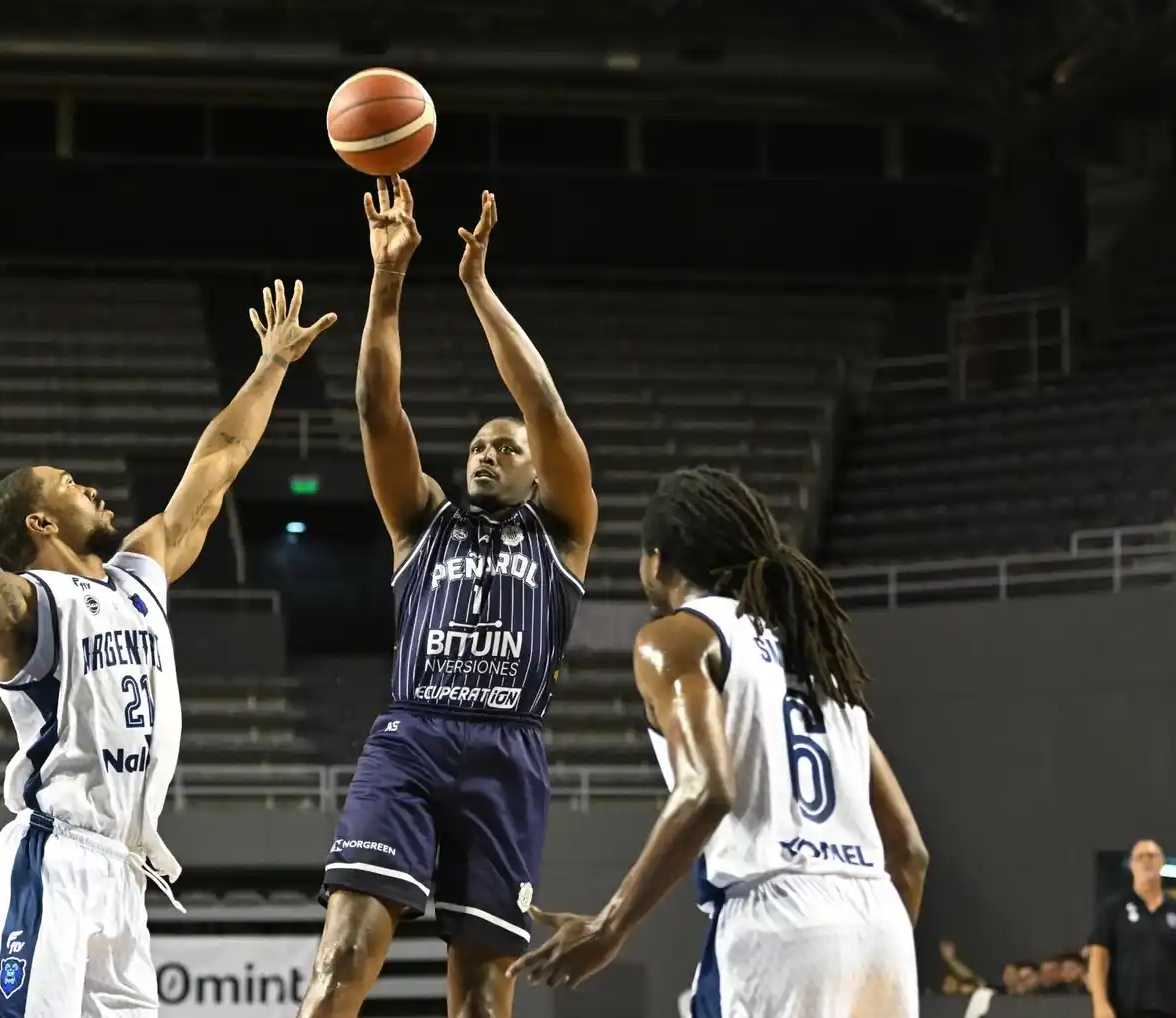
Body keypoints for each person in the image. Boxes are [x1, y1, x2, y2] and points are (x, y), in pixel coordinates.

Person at [0, 287, 336, 1017]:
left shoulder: (140, 574)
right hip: (54, 857)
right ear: (40, 520)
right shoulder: (28, 607)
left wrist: (272, 365)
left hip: (122, 872)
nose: (89, 487)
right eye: (68, 485)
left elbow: (218, 461)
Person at [295, 178, 598, 1018]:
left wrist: (476, 287)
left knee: (480, 992)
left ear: (536, 467)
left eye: (505, 447)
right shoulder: (422, 520)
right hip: (413, 737)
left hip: (509, 751)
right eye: (476, 445)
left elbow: (542, 403)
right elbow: (375, 408)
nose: (486, 454)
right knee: (345, 956)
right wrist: (387, 278)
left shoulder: (563, 529)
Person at [509, 466, 929, 1018]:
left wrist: (608, 927)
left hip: (777, 925)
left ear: (657, 561)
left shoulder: (678, 637)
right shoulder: (817, 654)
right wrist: (860, 947)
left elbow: (707, 789)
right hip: (881, 924)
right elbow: (910, 854)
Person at [1089, 839, 1176, 1018]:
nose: (1146, 861)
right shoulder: (1114, 908)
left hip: (1168, 1009)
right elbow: (1098, 956)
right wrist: (1100, 1002)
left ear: (1162, 863)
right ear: (1132, 866)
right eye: (1140, 857)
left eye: (1152, 856)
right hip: (1124, 1009)